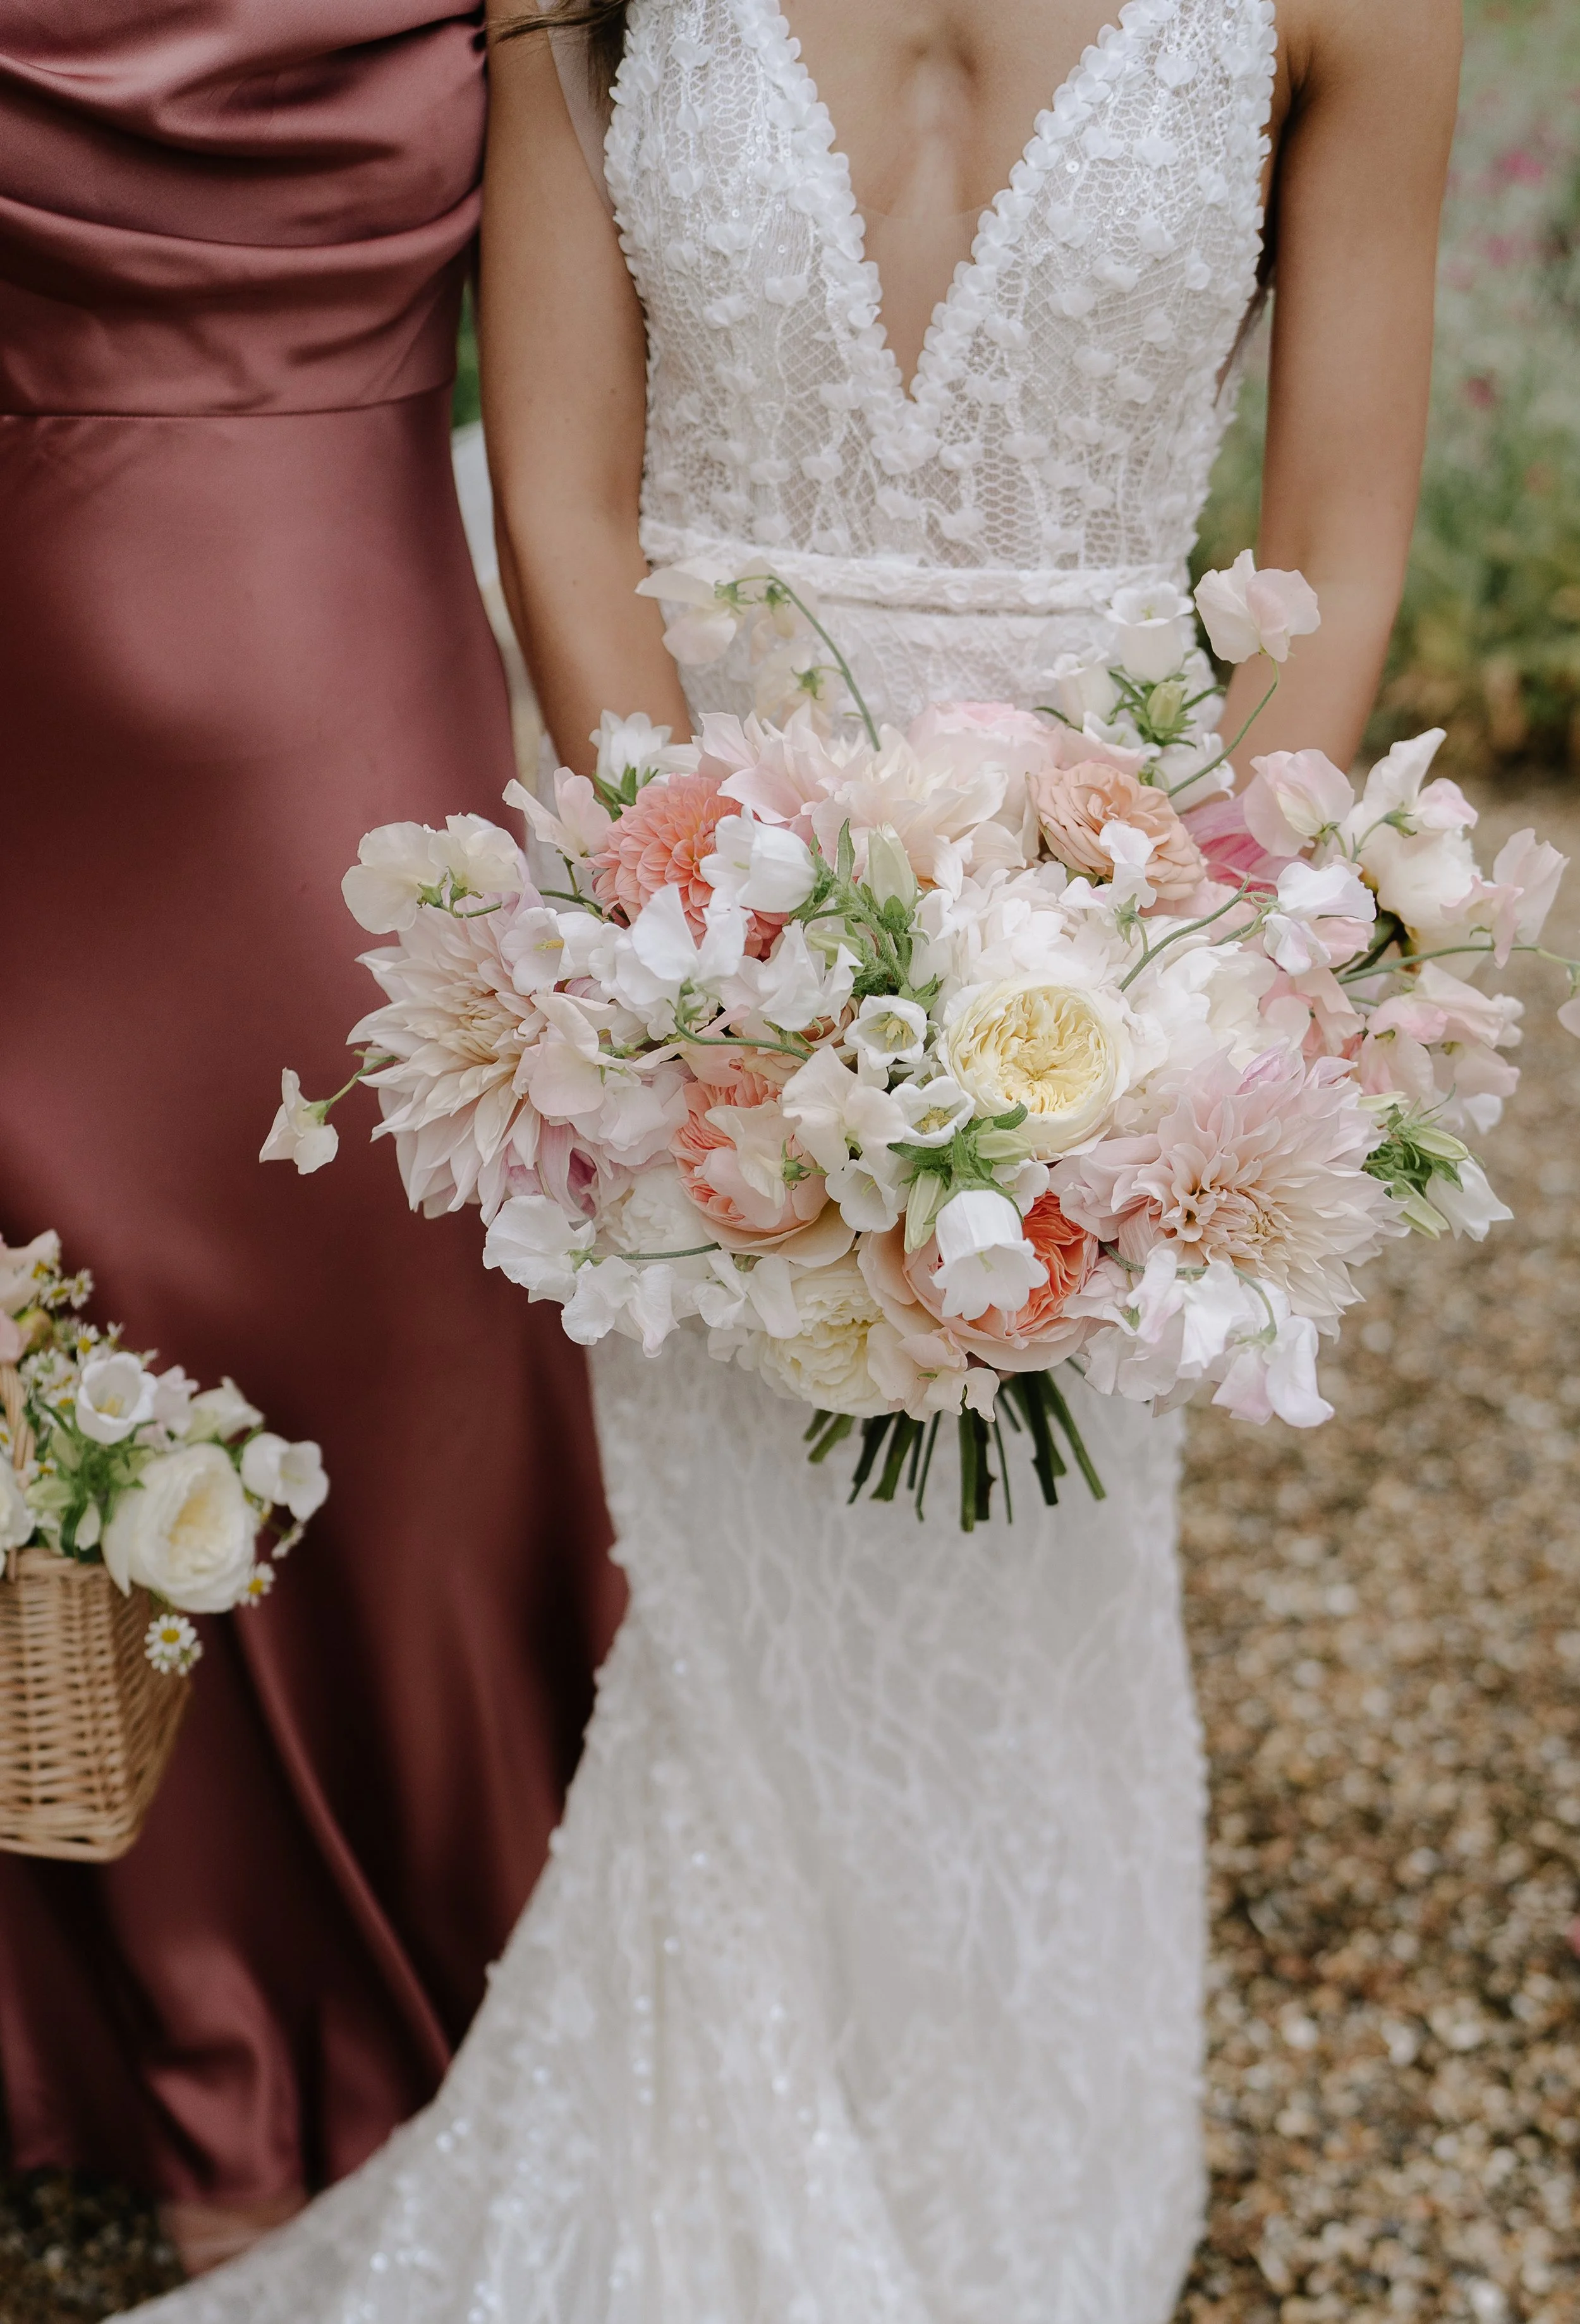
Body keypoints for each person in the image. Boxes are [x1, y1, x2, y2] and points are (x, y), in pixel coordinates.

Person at [118, 0, 1458, 2314]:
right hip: (709, 991)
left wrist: (1186, 969)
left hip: (1113, 962)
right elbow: (561, 487)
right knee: (741, 1619)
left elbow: (1329, 526)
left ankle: (1033, 2212)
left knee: (1038, 1597)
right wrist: (704, 950)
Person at [0, 0, 619, 2277]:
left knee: (399, 1360)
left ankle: (448, 2001)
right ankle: (181, 2056)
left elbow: (590, 404)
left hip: (345, 715)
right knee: (64, 1371)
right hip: (49, 717)